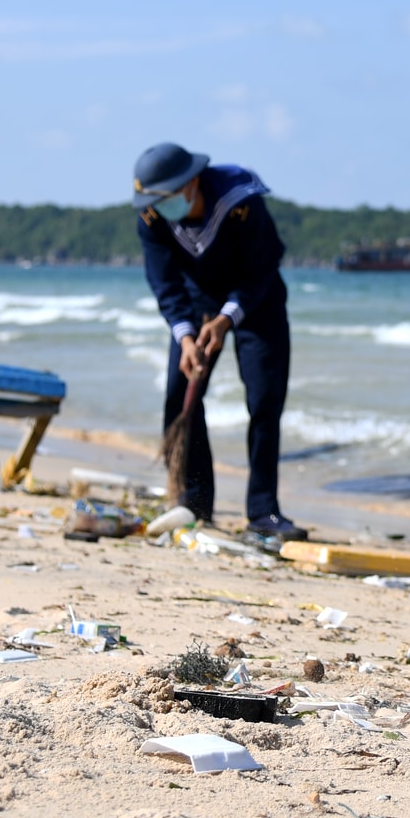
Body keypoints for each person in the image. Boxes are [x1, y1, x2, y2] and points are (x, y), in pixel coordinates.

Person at [133, 142, 304, 540]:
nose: (157, 206)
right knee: (180, 396)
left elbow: (263, 268)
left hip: (257, 301)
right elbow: (164, 283)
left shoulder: (240, 201)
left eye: (164, 197)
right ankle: (194, 502)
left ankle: (263, 510)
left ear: (191, 183)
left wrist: (227, 318)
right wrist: (185, 335)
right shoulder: (151, 217)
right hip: (197, 302)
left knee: (264, 400)